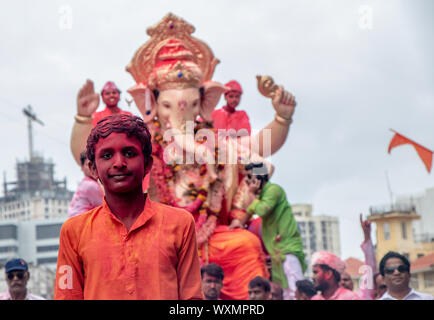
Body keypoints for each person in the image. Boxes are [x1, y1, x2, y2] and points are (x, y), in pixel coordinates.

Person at [55, 114, 203, 300]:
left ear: (147, 164)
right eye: (107, 155)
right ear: (93, 169)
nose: (119, 163)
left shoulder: (180, 224)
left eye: (129, 153)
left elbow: (192, 298)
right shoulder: (74, 232)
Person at [232, 162, 306, 300]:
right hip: (277, 251)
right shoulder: (262, 196)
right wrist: (238, 224)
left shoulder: (273, 190)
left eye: (249, 178)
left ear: (259, 177)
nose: (247, 183)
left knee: (296, 288)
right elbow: (250, 210)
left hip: (287, 248)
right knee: (285, 291)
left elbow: (261, 210)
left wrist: (252, 195)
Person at [339, 214, 377, 299]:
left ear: (352, 284)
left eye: (346, 280)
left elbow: (369, 270)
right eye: (339, 280)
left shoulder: (361, 297)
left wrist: (367, 236)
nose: (342, 283)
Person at [67, 151, 104, 219]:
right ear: (82, 167)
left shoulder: (84, 183)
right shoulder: (90, 185)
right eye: (88, 164)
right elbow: (104, 206)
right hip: (82, 223)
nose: (92, 167)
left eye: (94, 164)